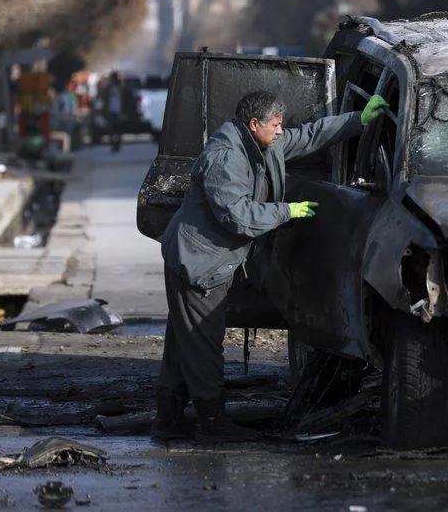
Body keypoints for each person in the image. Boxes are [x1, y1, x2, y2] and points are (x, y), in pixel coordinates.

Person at [153, 89, 388, 443]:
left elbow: (307, 135)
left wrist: (358, 120)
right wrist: (286, 211)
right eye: (275, 125)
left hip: (208, 257)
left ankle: (167, 421)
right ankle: (213, 423)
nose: (281, 131)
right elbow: (237, 216)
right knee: (202, 344)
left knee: (184, 342)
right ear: (254, 124)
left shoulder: (260, 143)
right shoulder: (226, 158)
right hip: (200, 262)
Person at [102, 71, 124, 153]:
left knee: (118, 129)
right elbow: (104, 99)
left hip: (119, 112)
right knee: (111, 129)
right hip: (110, 111)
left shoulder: (121, 88)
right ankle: (113, 144)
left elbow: (125, 100)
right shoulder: (108, 89)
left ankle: (117, 144)